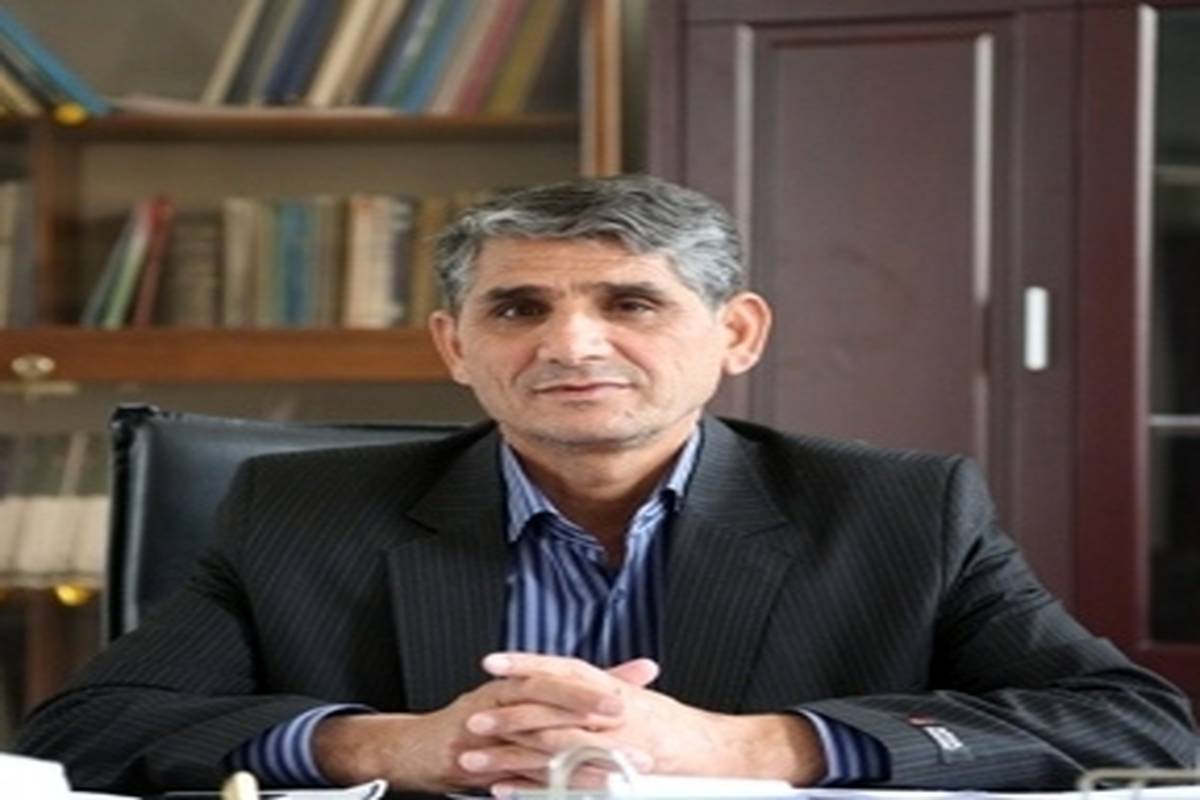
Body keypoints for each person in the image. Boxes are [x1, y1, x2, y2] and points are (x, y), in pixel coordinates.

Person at [15, 175, 1197, 795]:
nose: (572, 344)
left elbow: (1136, 722)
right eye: (518, 307)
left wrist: (753, 746)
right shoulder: (300, 511)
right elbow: (86, 729)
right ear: (455, 345)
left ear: (737, 332)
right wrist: (398, 745)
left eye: (632, 302)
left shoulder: (901, 510)